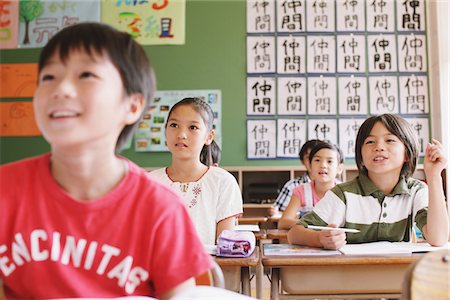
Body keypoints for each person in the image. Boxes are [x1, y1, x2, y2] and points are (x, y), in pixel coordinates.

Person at [0, 22, 212, 299]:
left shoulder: (161, 210)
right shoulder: (6, 189)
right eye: (48, 76)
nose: (61, 88)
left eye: (85, 74)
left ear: (132, 106)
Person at [288, 114, 449, 249]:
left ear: (407, 153)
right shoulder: (344, 194)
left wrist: (434, 176)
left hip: (398, 279)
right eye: (370, 141)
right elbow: (294, 233)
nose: (379, 147)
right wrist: (320, 239)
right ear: (361, 157)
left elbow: (438, 238)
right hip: (351, 280)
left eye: (390, 140)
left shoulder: (416, 190)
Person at [150, 98, 243, 245]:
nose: (182, 134)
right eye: (174, 125)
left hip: (205, 267)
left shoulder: (223, 182)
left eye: (193, 127)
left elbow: (226, 250)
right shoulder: (149, 182)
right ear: (165, 131)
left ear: (209, 137)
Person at [278, 141, 344, 230]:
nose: (323, 165)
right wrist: (316, 224)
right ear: (310, 166)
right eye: (317, 160)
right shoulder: (301, 191)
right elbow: (283, 223)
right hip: (307, 241)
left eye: (329, 161)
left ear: (339, 168)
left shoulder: (345, 192)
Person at [268, 139, 321, 216]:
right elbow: (279, 213)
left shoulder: (336, 186)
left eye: (317, 158)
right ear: (302, 161)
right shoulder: (292, 186)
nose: (312, 161)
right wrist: (274, 212)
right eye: (308, 157)